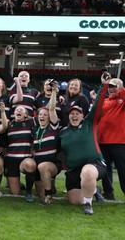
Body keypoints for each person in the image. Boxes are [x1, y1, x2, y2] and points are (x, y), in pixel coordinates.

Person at [58, 73, 108, 215]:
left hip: (94, 163)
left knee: (87, 172)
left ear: (82, 115)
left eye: (77, 114)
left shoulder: (89, 124)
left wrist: (103, 86)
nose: (74, 116)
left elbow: (98, 104)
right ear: (68, 116)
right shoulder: (63, 132)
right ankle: (94, 189)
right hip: (73, 169)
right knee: (74, 201)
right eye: (71, 114)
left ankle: (88, 204)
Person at [96, 77, 125, 200]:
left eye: (114, 86)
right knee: (105, 169)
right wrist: (104, 84)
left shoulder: (122, 101)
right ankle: (108, 193)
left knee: (123, 170)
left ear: (120, 87)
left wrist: (120, 88)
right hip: (103, 141)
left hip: (119, 142)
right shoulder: (105, 101)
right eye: (110, 87)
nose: (111, 89)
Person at [32, 82, 61, 205]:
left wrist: (54, 91)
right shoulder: (35, 130)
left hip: (52, 164)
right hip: (38, 164)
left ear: (50, 118)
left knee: (43, 167)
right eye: (40, 115)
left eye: (45, 115)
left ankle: (49, 196)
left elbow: (52, 108)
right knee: (40, 194)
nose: (42, 116)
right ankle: (49, 187)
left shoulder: (53, 127)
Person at [5, 105, 37, 202]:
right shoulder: (9, 125)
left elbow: (44, 114)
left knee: (30, 165)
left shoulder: (30, 123)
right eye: (16, 110)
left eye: (21, 110)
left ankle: (28, 191)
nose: (18, 110)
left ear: (26, 114)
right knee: (15, 192)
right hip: (11, 159)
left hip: (25, 158)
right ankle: (19, 185)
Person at [4, 45, 39, 118]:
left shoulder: (34, 91)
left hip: (29, 123)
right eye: (21, 76)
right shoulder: (12, 87)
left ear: (29, 80)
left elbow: (45, 97)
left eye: (26, 76)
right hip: (14, 121)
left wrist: (59, 96)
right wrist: (7, 55)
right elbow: (7, 72)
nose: (23, 77)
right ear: (17, 78)